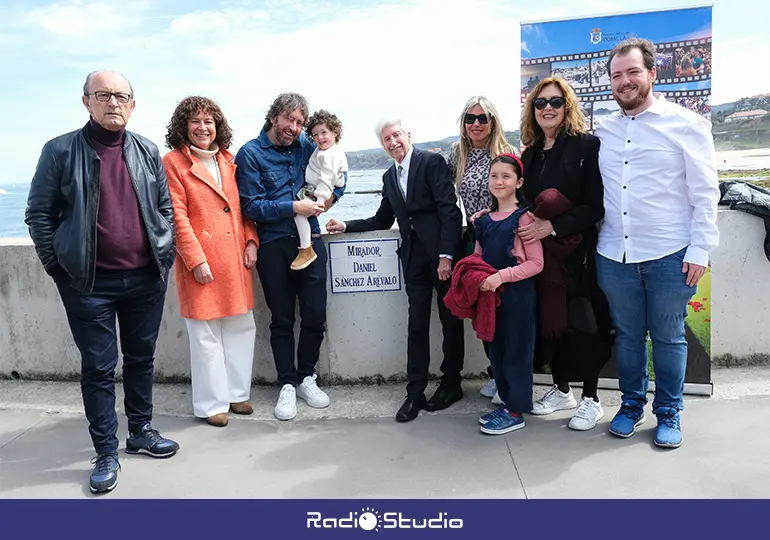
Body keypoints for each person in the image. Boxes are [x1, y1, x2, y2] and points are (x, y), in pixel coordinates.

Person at [25, 70, 179, 494]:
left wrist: (164, 258)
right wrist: (60, 271)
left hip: (146, 279)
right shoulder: (59, 151)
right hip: (88, 284)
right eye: (104, 94)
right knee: (98, 367)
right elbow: (39, 215)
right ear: (86, 101)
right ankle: (105, 451)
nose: (114, 102)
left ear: (133, 104)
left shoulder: (147, 150)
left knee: (142, 359)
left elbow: (165, 209)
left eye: (122, 96)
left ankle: (141, 432)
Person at [595, 38, 719, 448]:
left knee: (668, 337)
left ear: (651, 73)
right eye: (616, 76)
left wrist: (700, 250)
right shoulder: (604, 130)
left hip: (671, 254)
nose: (624, 81)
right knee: (628, 336)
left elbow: (705, 193)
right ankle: (631, 405)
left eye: (632, 72)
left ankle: (668, 412)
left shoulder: (687, 124)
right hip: (615, 254)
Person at [326, 119, 465, 423]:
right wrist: (346, 225)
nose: (392, 143)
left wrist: (446, 256)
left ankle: (451, 384)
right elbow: (381, 219)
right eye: (386, 139)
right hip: (413, 261)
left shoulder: (431, 162)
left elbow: (449, 211)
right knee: (416, 326)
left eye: (396, 136)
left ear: (408, 136)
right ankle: (414, 392)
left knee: (450, 322)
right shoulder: (390, 176)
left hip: (441, 259)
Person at [235, 93, 345, 421]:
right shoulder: (251, 153)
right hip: (273, 245)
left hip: (309, 240)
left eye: (300, 123)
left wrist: (329, 200)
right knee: (282, 317)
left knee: (314, 314)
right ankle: (287, 382)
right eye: (289, 120)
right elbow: (251, 205)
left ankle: (306, 377)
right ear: (274, 118)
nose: (295, 128)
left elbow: (338, 175)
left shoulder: (307, 147)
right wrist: (292, 207)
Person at [518, 76, 614, 431]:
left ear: (567, 106)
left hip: (579, 254)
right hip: (544, 259)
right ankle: (561, 390)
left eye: (555, 102)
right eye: (540, 103)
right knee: (552, 323)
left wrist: (553, 227)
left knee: (585, 324)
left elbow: (595, 206)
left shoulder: (587, 147)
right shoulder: (529, 155)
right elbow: (524, 204)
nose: (547, 108)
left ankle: (591, 397)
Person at [162, 96, 259, 428]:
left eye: (209, 121)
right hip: (201, 262)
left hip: (235, 260)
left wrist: (250, 240)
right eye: (195, 122)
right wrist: (194, 258)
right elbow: (176, 216)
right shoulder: (172, 162)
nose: (203, 128)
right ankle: (210, 403)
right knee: (205, 335)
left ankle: (237, 393)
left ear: (218, 126)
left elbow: (243, 207)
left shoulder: (229, 161)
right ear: (183, 127)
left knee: (241, 327)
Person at [447, 96, 514, 405]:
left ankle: (507, 378)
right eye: (470, 118)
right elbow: (443, 198)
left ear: (493, 122)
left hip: (503, 237)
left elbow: (519, 199)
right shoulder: (457, 155)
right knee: (483, 309)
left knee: (502, 310)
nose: (476, 124)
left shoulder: (506, 153)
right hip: (474, 238)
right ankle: (495, 372)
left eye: (483, 118)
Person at [473, 154, 543, 434]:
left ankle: (516, 410)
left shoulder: (525, 218)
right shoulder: (483, 219)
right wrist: (475, 279)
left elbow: (536, 264)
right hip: (490, 297)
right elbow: (477, 258)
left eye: (506, 176)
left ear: (519, 182)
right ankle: (506, 403)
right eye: (494, 176)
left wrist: (501, 276)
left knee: (516, 351)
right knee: (496, 351)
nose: (499, 181)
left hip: (516, 297)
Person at [291, 110, 348, 271]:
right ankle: (305, 247)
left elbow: (326, 178)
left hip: (318, 191)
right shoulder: (324, 150)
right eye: (315, 135)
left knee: (298, 213)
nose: (320, 138)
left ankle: (305, 248)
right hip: (314, 188)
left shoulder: (329, 155)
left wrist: (320, 201)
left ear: (334, 132)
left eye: (324, 132)